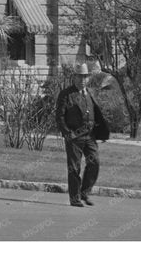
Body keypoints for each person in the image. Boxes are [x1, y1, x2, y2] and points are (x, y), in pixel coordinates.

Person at [56, 62, 110, 207]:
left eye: (85, 77)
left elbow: (96, 114)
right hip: (74, 136)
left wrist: (101, 133)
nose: (82, 80)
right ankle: (75, 198)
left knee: (95, 162)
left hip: (90, 136)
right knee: (74, 168)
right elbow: (60, 117)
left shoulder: (90, 93)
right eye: (79, 77)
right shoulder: (66, 94)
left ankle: (84, 193)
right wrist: (67, 133)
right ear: (74, 77)